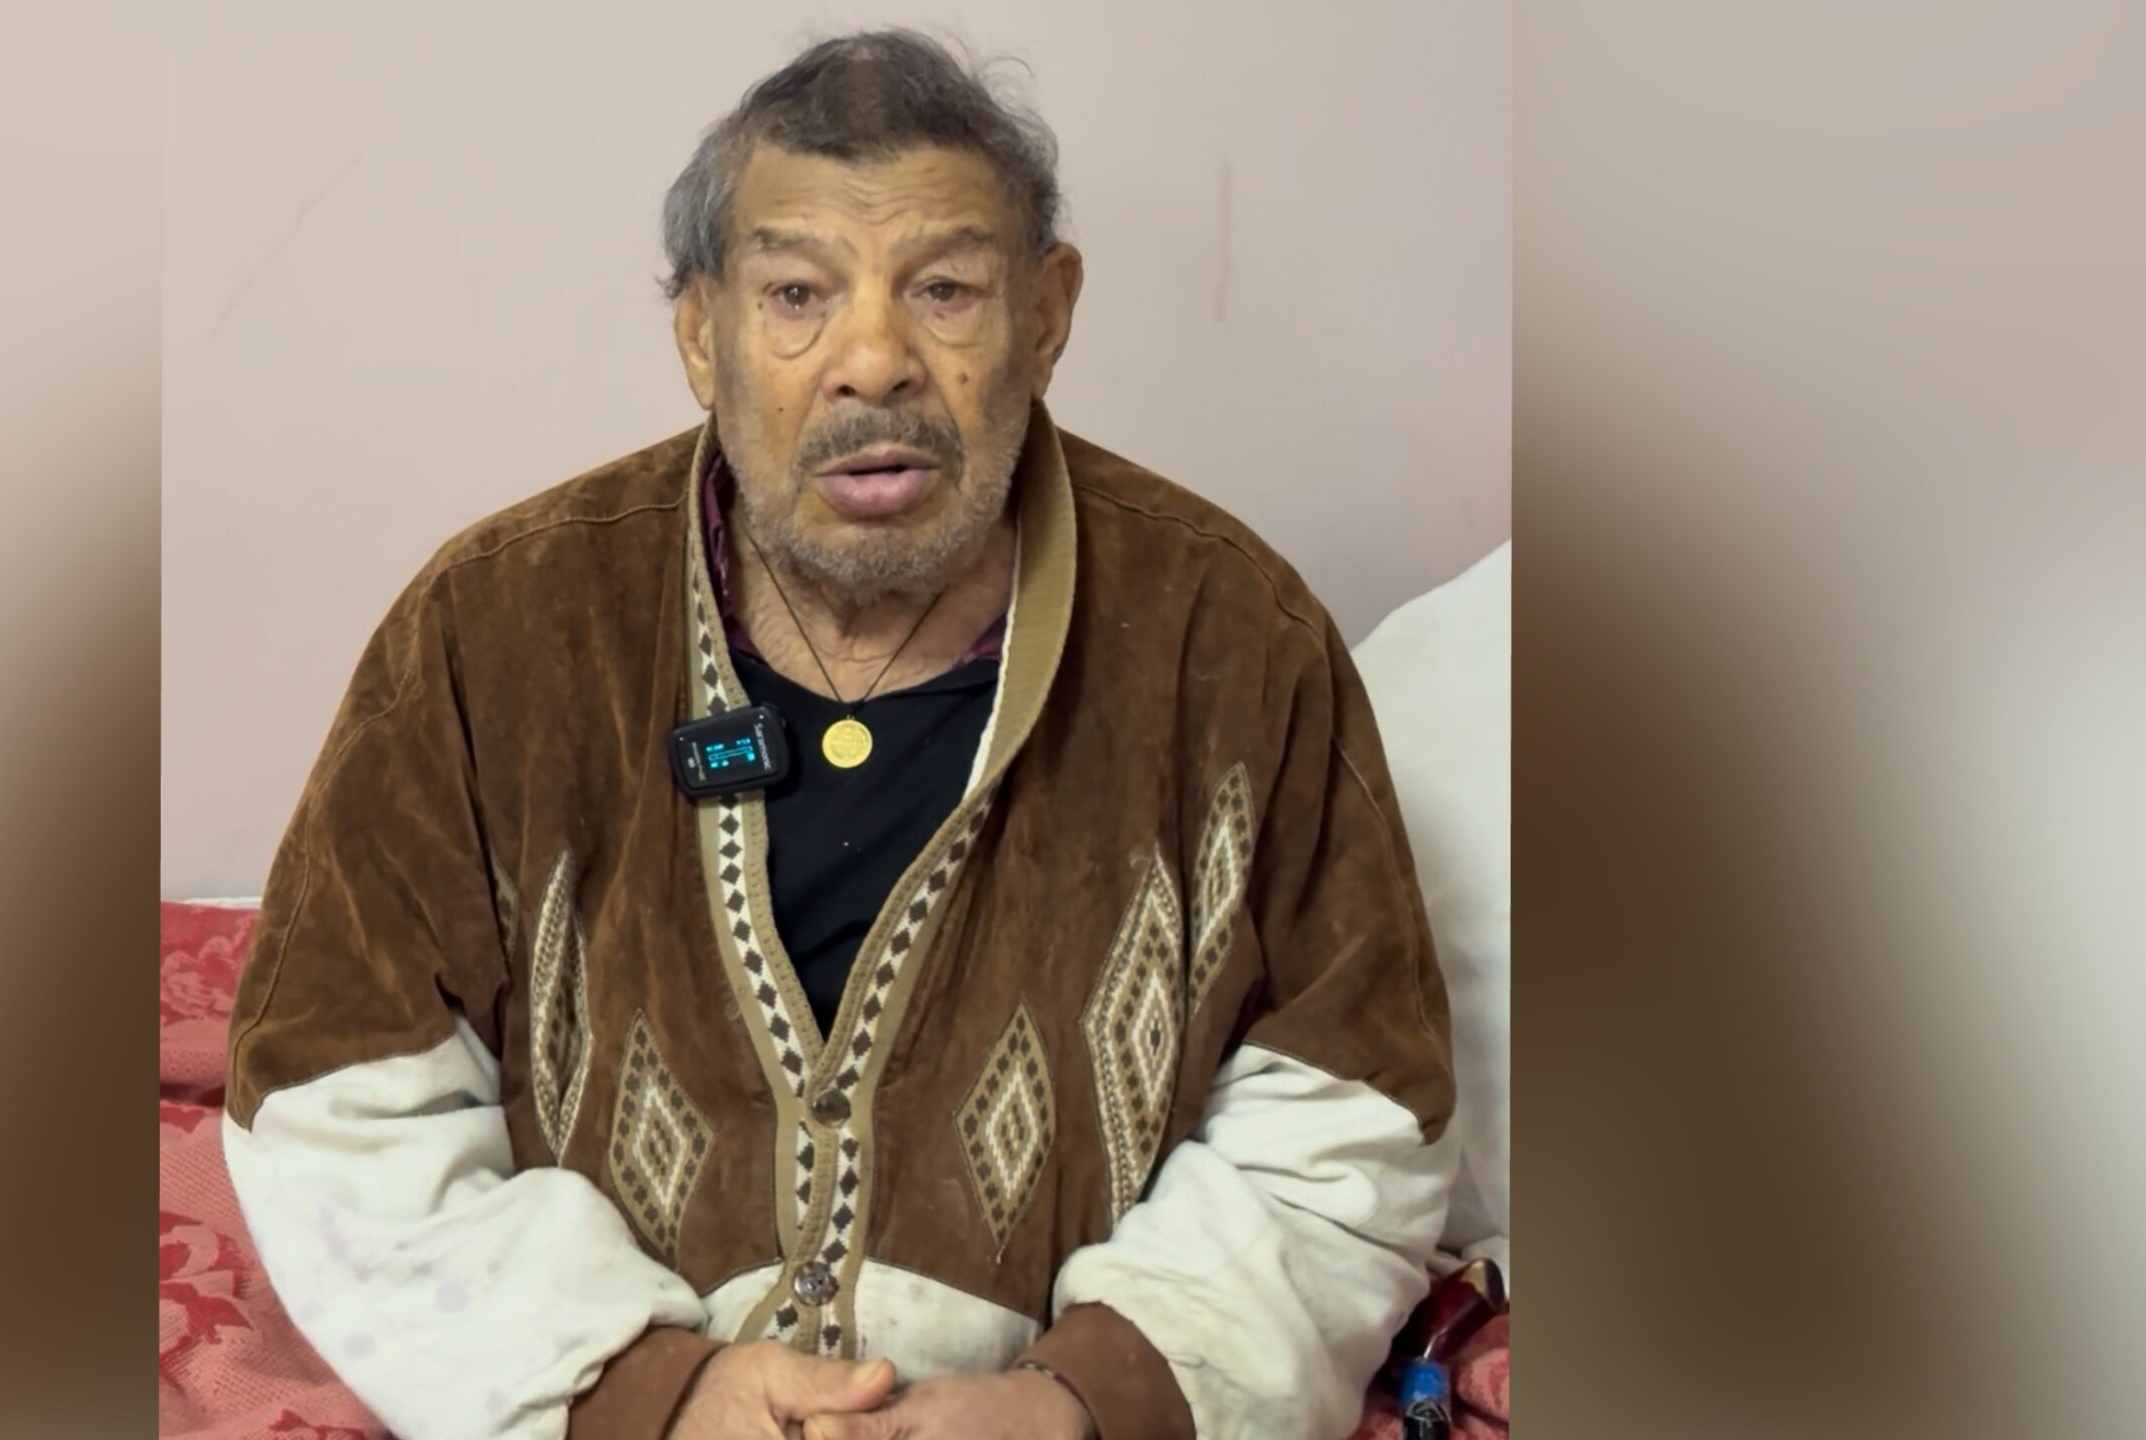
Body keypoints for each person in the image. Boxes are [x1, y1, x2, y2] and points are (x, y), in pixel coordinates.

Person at [223, 29, 1455, 1440]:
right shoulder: (492, 629)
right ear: (702, 332)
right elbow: (333, 1100)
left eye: (946, 290)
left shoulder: (1232, 638)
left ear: (1046, 314)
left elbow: (1353, 1119)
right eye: (798, 294)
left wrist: (1078, 1404)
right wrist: (645, 1394)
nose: (875, 362)